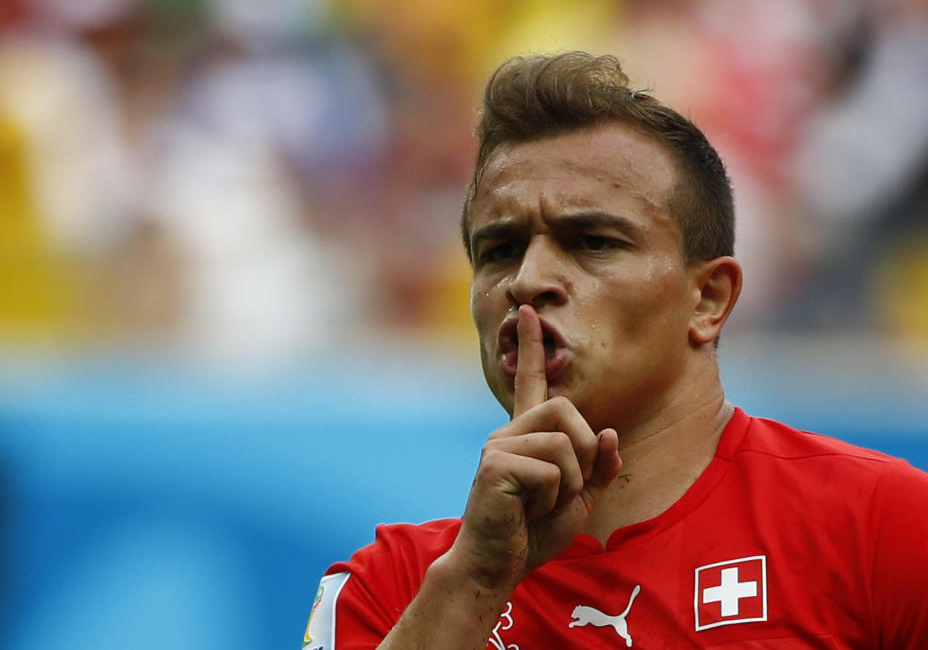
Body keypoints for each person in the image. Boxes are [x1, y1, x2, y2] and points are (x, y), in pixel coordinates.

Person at [302, 52, 928, 649]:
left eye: (592, 242)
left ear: (708, 298)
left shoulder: (884, 528)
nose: (527, 280)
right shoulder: (391, 588)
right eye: (499, 250)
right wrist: (475, 581)